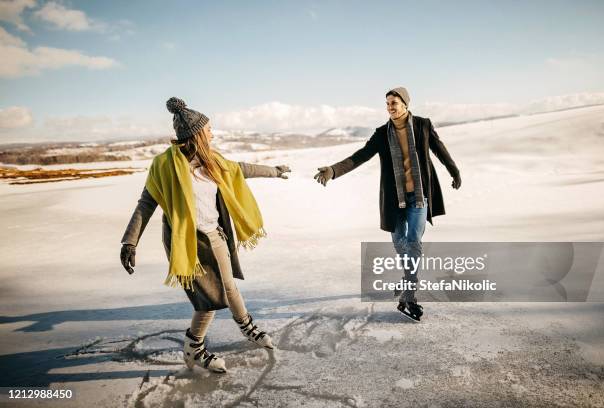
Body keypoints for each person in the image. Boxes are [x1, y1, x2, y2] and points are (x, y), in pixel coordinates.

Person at [120, 97, 291, 373]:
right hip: (189, 243)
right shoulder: (164, 166)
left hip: (216, 236)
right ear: (196, 134)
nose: (212, 133)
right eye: (208, 129)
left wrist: (275, 171)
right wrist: (130, 241)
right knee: (208, 300)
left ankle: (247, 327)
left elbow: (242, 169)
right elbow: (146, 203)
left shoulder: (212, 161)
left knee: (229, 286)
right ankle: (194, 349)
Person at [314, 87, 461, 321]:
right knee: (399, 242)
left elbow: (439, 149)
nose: (390, 107)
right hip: (395, 200)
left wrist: (454, 170)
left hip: (419, 197)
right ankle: (408, 277)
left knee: (413, 243)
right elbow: (360, 156)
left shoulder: (423, 125)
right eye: (387, 104)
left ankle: (409, 297)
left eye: (394, 102)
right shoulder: (382, 133)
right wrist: (333, 170)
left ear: (405, 104)